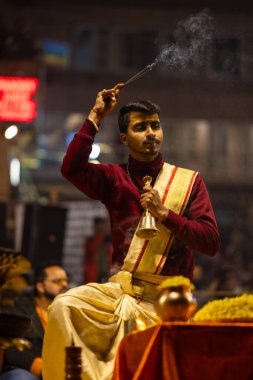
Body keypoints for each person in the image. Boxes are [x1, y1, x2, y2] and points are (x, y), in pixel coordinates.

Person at [42, 84, 220, 380]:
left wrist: (165, 214)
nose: (151, 132)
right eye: (141, 127)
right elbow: (71, 168)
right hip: (122, 292)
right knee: (63, 305)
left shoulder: (189, 182)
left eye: (155, 125)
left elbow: (211, 242)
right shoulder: (114, 178)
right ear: (124, 138)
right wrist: (96, 115)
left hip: (169, 302)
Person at [1, 263, 69, 380]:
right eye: (57, 281)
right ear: (40, 287)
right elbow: (10, 348)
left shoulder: (67, 311)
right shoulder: (22, 311)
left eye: (66, 280)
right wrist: (41, 367)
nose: (64, 284)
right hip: (26, 369)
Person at [83, 217, 112, 284]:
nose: (102, 228)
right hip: (93, 274)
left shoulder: (108, 241)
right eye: (99, 226)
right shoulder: (91, 241)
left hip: (106, 273)